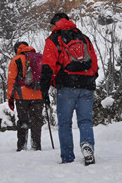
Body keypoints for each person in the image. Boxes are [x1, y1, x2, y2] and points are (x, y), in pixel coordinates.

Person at [40, 12, 99, 165]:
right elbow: (94, 63)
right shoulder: (83, 38)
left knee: (65, 123)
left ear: (55, 24)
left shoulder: (53, 39)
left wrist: (44, 89)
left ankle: (67, 157)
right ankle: (87, 145)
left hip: (66, 85)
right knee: (85, 121)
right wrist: (89, 79)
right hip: (86, 84)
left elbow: (47, 66)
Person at [6, 41, 44, 151]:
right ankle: (36, 146)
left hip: (22, 96)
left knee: (23, 120)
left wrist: (10, 98)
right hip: (38, 94)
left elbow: (11, 80)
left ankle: (22, 146)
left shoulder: (16, 60)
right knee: (36, 121)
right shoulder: (39, 57)